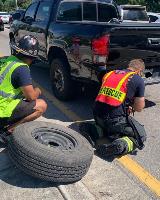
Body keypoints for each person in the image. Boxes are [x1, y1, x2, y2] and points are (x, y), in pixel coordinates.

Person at [80, 59, 146, 158]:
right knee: (141, 135)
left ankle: (93, 129)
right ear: (140, 71)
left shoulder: (109, 74)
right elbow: (139, 107)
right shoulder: (137, 79)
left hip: (98, 116)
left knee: (106, 128)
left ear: (129, 66)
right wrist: (132, 105)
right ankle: (120, 145)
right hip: (114, 122)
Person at [0, 35, 47, 142]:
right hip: (1, 110)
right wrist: (38, 90)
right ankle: (7, 132)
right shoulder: (21, 68)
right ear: (32, 57)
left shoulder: (6, 60)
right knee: (41, 105)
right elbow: (31, 97)